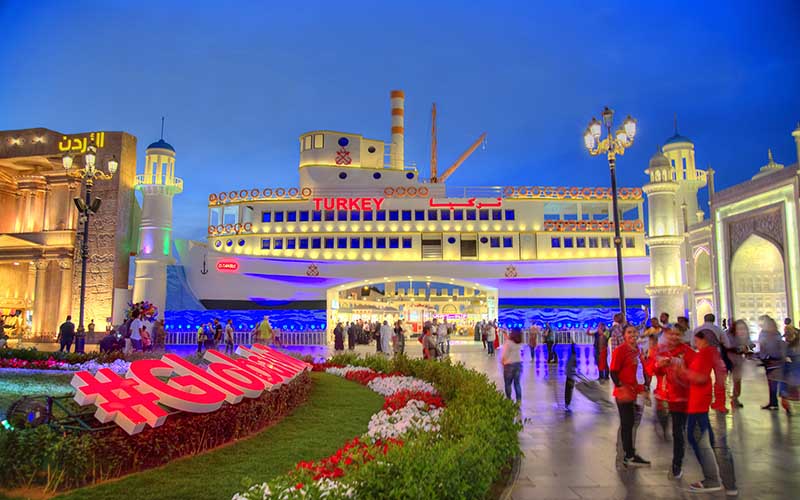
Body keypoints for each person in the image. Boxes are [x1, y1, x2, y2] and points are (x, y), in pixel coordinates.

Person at [647, 327, 695, 477]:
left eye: (677, 334)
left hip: (681, 397)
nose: (674, 337)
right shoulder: (659, 351)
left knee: (678, 431)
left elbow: (696, 372)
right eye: (671, 334)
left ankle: (677, 463)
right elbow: (649, 369)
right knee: (668, 424)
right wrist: (657, 366)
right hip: (663, 396)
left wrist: (682, 371)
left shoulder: (687, 352)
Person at [679, 330, 722, 493]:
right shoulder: (706, 353)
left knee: (697, 439)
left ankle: (712, 479)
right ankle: (714, 476)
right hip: (697, 401)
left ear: (703, 340)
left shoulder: (706, 354)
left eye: (696, 341)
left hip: (698, 403)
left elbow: (701, 377)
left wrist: (683, 371)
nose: (695, 344)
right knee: (705, 438)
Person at [610, 323, 650, 468]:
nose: (632, 335)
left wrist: (645, 387)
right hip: (624, 393)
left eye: (634, 332)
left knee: (633, 423)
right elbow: (613, 371)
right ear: (624, 335)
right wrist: (621, 387)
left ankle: (630, 452)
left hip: (636, 391)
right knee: (627, 424)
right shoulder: (620, 350)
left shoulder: (637, 351)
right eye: (629, 332)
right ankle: (627, 455)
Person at [758, 316, 786, 410]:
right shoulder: (776, 333)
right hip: (777, 360)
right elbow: (781, 346)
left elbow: (762, 346)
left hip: (769, 360)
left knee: (772, 382)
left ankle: (774, 402)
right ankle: (777, 401)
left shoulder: (764, 334)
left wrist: (763, 357)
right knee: (777, 382)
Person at [723, 320, 750, 408]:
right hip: (728, 359)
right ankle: (723, 399)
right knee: (724, 380)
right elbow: (726, 347)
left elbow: (747, 344)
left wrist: (745, 348)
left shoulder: (739, 334)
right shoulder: (727, 334)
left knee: (737, 380)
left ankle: (735, 398)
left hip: (737, 360)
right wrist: (738, 349)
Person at [502, 328, 524, 403]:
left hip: (509, 365)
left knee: (508, 384)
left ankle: (509, 399)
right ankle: (519, 401)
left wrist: (502, 362)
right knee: (517, 383)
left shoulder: (508, 343)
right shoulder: (519, 343)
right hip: (518, 364)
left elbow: (504, 355)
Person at [564, 342, 578, 411]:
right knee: (570, 390)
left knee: (567, 390)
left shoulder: (570, 356)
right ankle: (568, 402)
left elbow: (567, 366)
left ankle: (566, 403)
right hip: (571, 376)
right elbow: (575, 366)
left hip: (568, 375)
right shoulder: (574, 356)